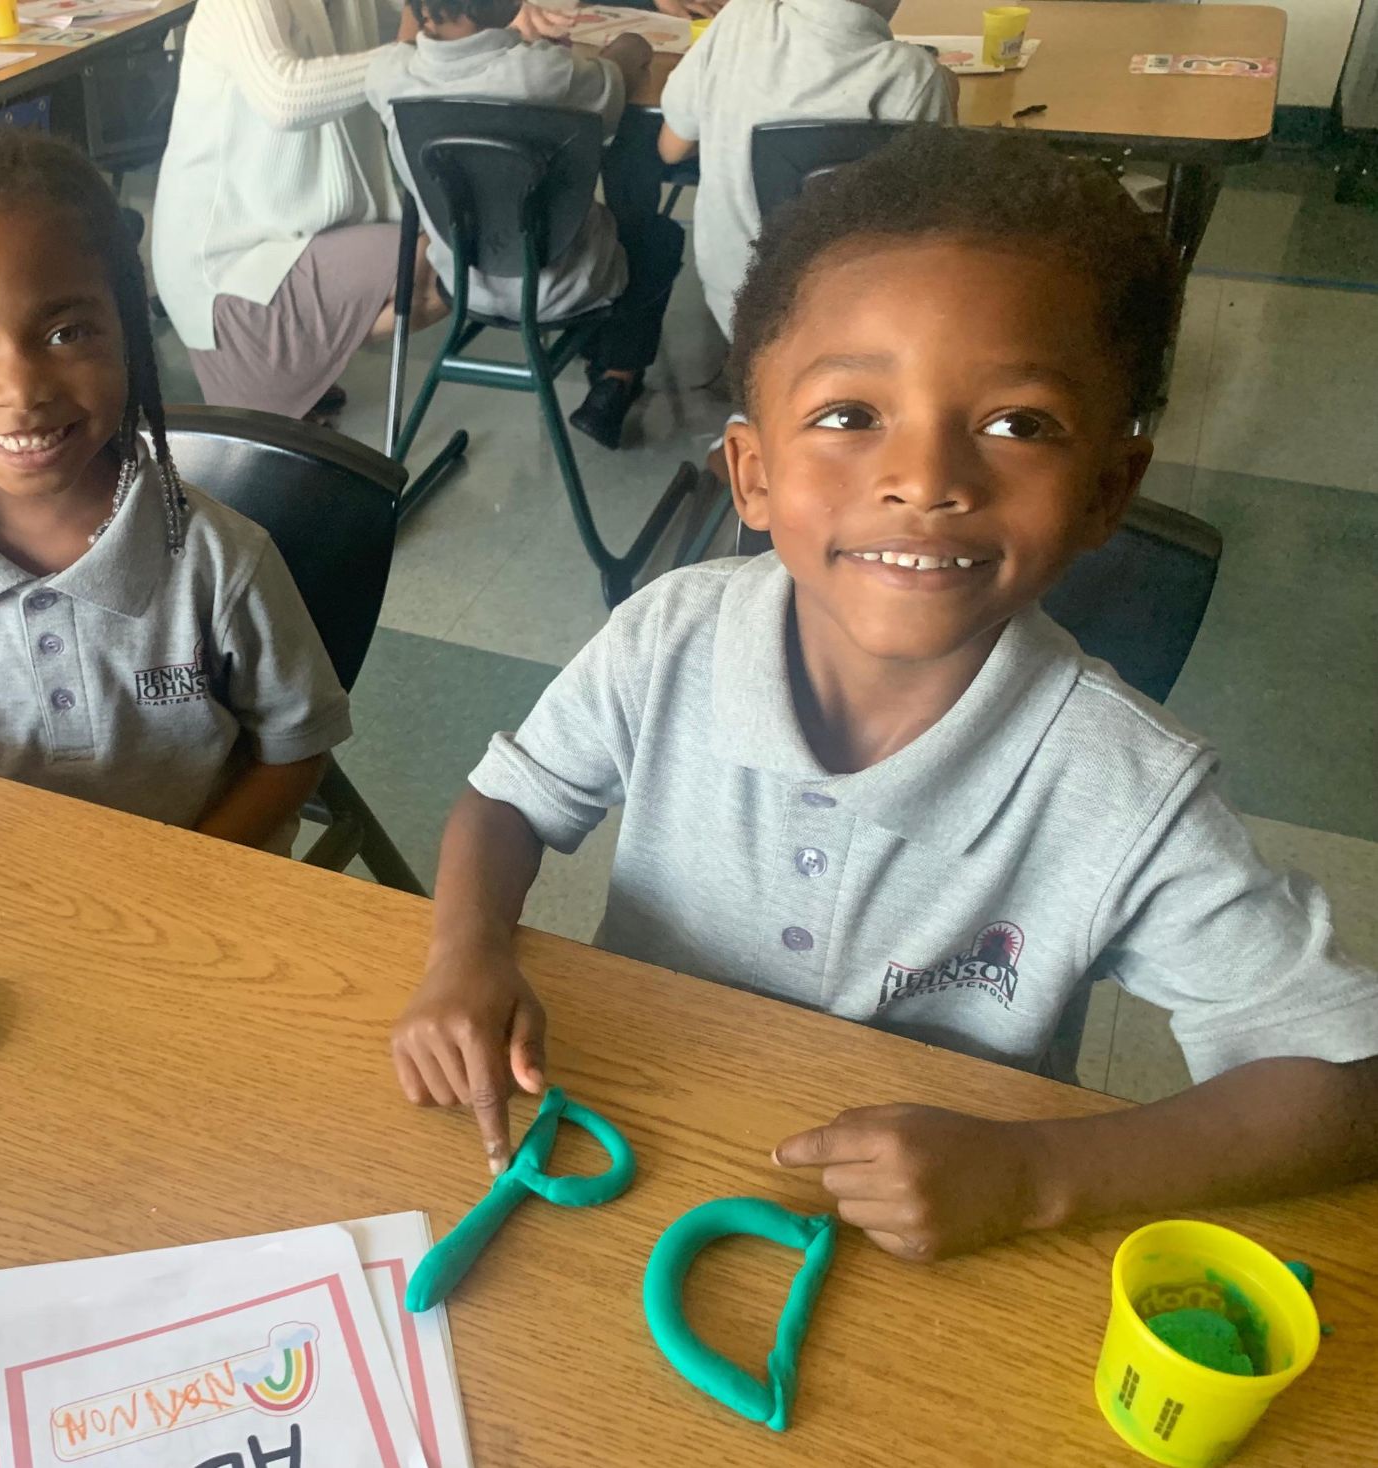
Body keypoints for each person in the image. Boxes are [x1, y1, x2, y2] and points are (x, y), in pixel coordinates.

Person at [388, 128, 1378, 1261]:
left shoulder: (1123, 789)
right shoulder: (669, 637)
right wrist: (467, 949)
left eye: (1019, 424)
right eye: (850, 416)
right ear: (751, 474)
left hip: (941, 1246)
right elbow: (509, 802)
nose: (925, 480)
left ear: (1109, 488)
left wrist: (1038, 1172)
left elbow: (1346, 1084)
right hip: (639, 1149)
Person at [0, 116, 353, 854]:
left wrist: (173, 881)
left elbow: (296, 748)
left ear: (127, 327)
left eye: (65, 333)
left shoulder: (222, 563)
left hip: (196, 899)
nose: (20, 390)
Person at [365, 0, 685, 448]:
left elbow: (424, 57)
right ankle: (617, 375)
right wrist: (630, 45)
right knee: (658, 237)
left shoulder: (385, 75)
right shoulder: (547, 75)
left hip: (462, 283)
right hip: (563, 288)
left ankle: (607, 365)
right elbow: (619, 75)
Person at [150, 0, 451, 422]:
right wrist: (402, 61)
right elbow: (286, 97)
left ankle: (306, 358)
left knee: (455, 249)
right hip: (226, 269)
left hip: (284, 237)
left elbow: (421, 26)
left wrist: (500, 20)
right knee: (447, 260)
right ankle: (291, 359)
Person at [657, 0, 955, 346]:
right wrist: (945, 87)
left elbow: (671, 148)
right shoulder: (914, 74)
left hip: (733, 303)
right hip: (858, 314)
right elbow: (932, 222)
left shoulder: (739, 17)